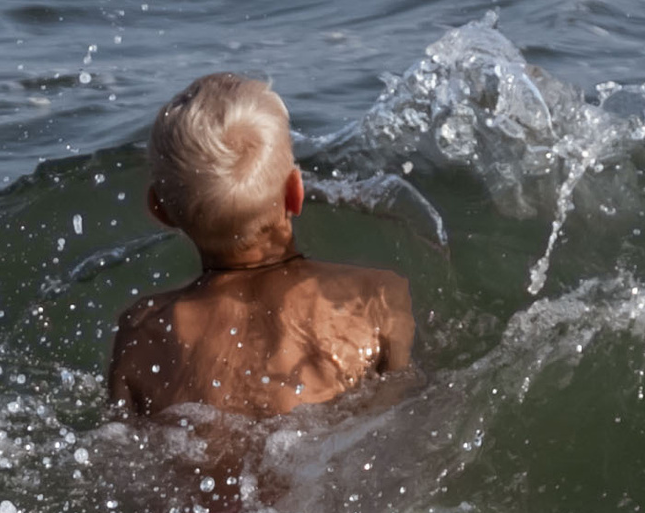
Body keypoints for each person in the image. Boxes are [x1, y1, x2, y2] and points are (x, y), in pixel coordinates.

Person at [107, 74, 415, 425]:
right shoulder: (377, 298)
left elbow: (121, 440)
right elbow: (397, 416)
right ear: (295, 192)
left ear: (159, 209)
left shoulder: (142, 330)